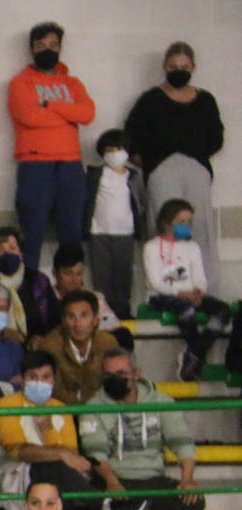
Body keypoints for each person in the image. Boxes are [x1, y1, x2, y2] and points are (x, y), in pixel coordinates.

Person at [79, 349, 203, 510]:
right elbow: (94, 452)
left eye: (120, 373)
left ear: (136, 373)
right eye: (108, 375)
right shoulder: (92, 407)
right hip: (116, 477)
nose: (114, 379)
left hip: (153, 479)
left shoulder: (161, 402)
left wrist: (187, 479)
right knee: (111, 501)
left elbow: (182, 442)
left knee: (194, 502)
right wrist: (111, 481)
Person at [126, 41, 226, 288]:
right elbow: (132, 135)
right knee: (167, 230)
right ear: (164, 67)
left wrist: (197, 157)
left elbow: (216, 137)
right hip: (162, 169)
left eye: (183, 66)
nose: (178, 70)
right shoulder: (150, 99)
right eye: (173, 66)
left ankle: (203, 289)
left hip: (196, 169)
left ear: (193, 67)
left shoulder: (205, 100)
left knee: (199, 228)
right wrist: (148, 160)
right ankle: (172, 290)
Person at [7, 21, 95, 274]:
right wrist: (68, 114)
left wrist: (50, 104)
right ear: (32, 49)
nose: (48, 50)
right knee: (32, 234)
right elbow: (29, 116)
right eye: (41, 45)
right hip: (35, 165)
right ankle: (30, 292)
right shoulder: (20, 83)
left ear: (60, 48)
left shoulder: (73, 83)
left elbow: (87, 113)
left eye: (54, 45)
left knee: (72, 236)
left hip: (70, 165)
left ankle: (71, 291)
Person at [0, 350, 99, 510]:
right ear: (22, 379)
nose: (40, 382)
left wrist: (48, 429)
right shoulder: (5, 406)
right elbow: (20, 452)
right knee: (52, 467)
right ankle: (104, 505)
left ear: (54, 379)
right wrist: (60, 454)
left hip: (57, 480)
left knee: (62, 475)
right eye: (33, 377)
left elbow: (72, 456)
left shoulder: (62, 409)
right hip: (15, 477)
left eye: (46, 377)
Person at [144, 198, 232, 382]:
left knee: (223, 311)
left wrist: (199, 291)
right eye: (181, 222)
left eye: (189, 222)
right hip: (162, 297)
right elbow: (157, 282)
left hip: (191, 295)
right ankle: (196, 359)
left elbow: (199, 278)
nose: (186, 226)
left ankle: (193, 354)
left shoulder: (192, 247)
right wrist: (182, 293)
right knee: (187, 310)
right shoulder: (151, 247)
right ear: (166, 222)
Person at [83, 129, 150, 321]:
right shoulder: (95, 174)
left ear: (127, 151)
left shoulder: (134, 176)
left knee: (123, 274)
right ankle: (103, 314)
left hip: (125, 232)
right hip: (99, 232)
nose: (114, 153)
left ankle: (123, 312)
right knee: (101, 275)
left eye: (118, 148)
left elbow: (142, 201)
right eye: (109, 149)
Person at [0, 227, 58, 341]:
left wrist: (41, 339)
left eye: (12, 248)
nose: (6, 253)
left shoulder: (39, 281)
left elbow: (54, 319)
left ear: (21, 253)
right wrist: (1, 332)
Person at [39, 290, 121, 405]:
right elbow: (52, 391)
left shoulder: (107, 343)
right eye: (71, 317)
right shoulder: (50, 346)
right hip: (63, 412)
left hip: (100, 411)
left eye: (84, 316)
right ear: (63, 321)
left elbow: (114, 384)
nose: (78, 324)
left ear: (95, 320)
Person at [50, 242, 131, 350]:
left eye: (78, 273)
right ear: (54, 273)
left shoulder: (95, 298)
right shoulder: (45, 298)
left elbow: (115, 328)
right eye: (68, 273)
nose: (74, 280)